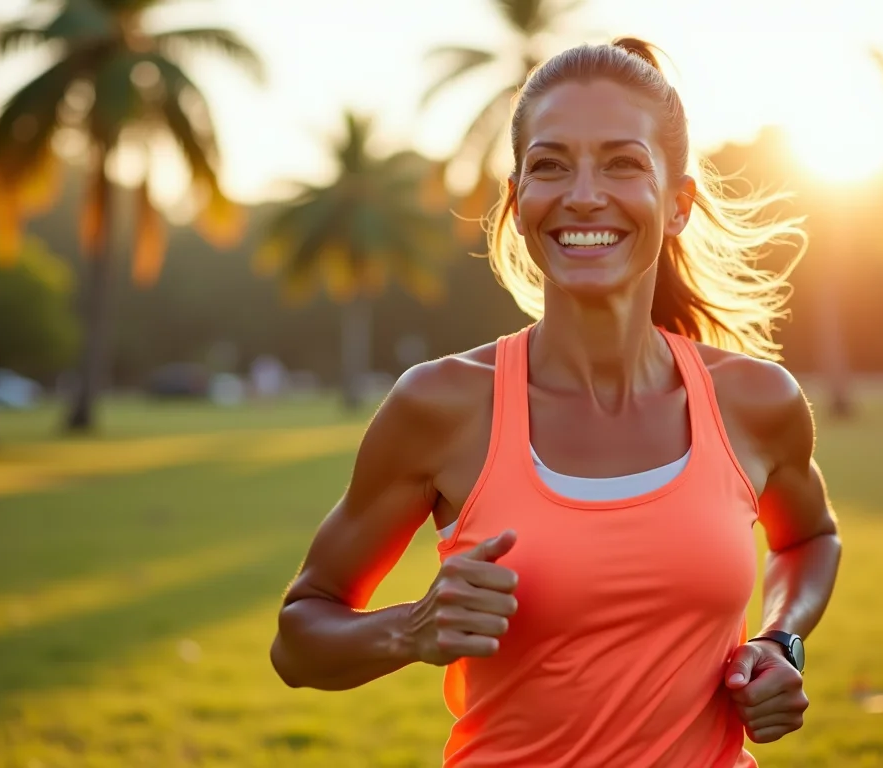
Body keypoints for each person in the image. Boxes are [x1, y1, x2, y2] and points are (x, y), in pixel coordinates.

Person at [269, 37, 842, 767]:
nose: (582, 194)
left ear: (677, 205)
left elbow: (808, 539)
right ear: (517, 203)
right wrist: (410, 630)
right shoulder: (442, 406)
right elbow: (297, 641)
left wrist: (779, 638)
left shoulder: (756, 402)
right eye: (549, 165)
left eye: (622, 163)